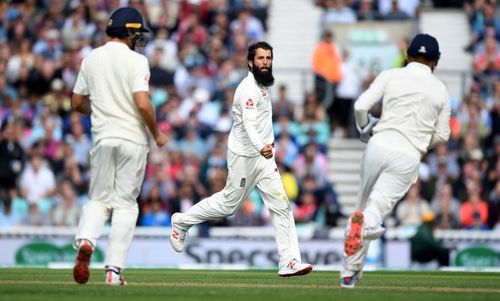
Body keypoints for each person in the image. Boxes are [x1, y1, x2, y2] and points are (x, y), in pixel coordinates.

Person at [169, 41, 313, 277]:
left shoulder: (263, 86)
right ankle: (182, 221)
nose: (265, 63)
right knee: (229, 205)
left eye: (268, 58)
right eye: (260, 59)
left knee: (281, 205)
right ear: (250, 62)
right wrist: (261, 147)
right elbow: (248, 125)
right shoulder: (247, 89)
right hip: (245, 157)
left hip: (264, 159)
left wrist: (266, 150)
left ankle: (288, 260)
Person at [340, 33, 450, 288]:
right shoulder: (441, 89)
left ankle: (349, 273)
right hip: (408, 154)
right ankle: (364, 233)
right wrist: (422, 143)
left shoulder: (390, 75)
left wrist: (365, 128)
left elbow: (360, 106)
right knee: (374, 210)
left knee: (361, 208)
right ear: (435, 61)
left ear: (408, 56)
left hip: (378, 144)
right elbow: (443, 135)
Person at [71, 7, 167, 286]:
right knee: (125, 205)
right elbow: (142, 102)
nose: (139, 38)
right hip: (132, 140)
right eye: (137, 33)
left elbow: (76, 103)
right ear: (129, 33)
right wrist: (157, 134)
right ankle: (113, 272)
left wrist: (100, 111)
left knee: (99, 199)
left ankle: (86, 240)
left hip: (102, 138)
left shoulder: (91, 58)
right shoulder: (137, 61)